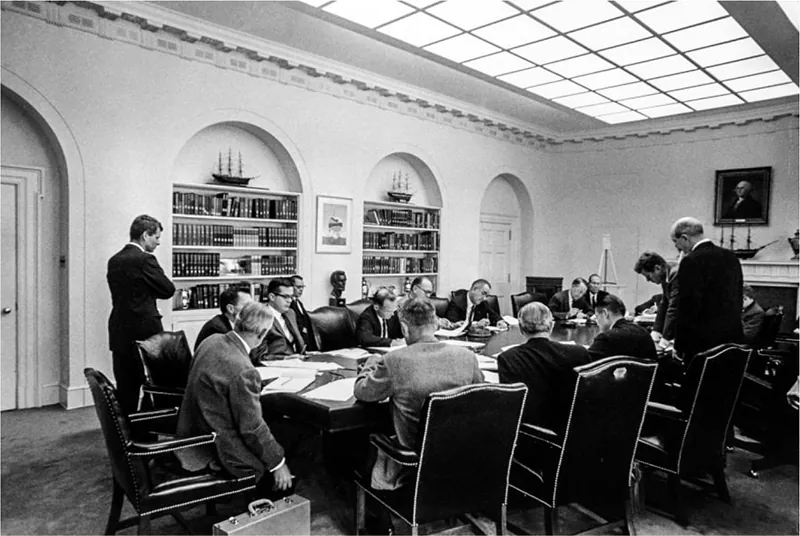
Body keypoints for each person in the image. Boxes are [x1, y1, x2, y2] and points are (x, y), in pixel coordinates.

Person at [354, 297, 484, 489]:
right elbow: (480, 396)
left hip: (413, 459)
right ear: (435, 324)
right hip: (461, 456)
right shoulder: (467, 357)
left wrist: (371, 363)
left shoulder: (394, 360)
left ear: (405, 328)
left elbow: (363, 392)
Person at [176, 302, 293, 497]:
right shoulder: (244, 370)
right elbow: (252, 429)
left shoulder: (211, 341)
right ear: (263, 333)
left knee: (277, 431)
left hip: (193, 431)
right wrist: (278, 463)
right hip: (220, 447)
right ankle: (273, 501)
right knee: (289, 439)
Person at [107, 214, 175, 415]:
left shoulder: (114, 260)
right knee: (155, 380)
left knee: (126, 382)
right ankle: (150, 422)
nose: (158, 242)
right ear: (145, 235)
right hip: (145, 330)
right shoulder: (145, 260)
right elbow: (168, 289)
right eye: (156, 237)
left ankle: (124, 427)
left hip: (119, 329)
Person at [497, 302, 590, 432]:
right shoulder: (579, 353)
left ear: (521, 329)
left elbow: (510, 408)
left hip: (533, 435)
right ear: (551, 326)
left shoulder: (509, 358)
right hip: (576, 432)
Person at [670, 217, 743, 360]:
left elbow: (688, 307)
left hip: (702, 344)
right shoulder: (731, 256)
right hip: (732, 338)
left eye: (675, 242)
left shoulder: (691, 261)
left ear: (684, 238)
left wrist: (680, 345)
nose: (677, 248)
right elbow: (738, 297)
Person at [587, 294, 658, 363]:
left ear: (605, 313)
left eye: (597, 317)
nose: (597, 322)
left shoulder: (607, 338)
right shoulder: (643, 331)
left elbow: (585, 363)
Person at [252, 278, 305, 361]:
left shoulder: (291, 313)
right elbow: (259, 357)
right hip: (276, 366)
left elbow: (298, 343)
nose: (290, 301)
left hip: (299, 362)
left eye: (291, 297)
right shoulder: (260, 317)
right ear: (272, 297)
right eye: (286, 297)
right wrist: (285, 358)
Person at [633, 251, 679, 344]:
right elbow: (664, 303)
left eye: (648, 276)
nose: (648, 280)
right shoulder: (665, 273)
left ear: (657, 268)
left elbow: (674, 308)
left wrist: (665, 339)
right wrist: (656, 331)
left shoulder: (676, 274)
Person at [194, 287, 252, 351]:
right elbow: (238, 355)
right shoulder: (217, 330)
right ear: (230, 309)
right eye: (247, 305)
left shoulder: (235, 323)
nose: (253, 309)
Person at [289, 274, 316, 350]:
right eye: (298, 287)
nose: (301, 290)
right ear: (291, 287)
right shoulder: (288, 305)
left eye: (302, 287)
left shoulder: (299, 303)